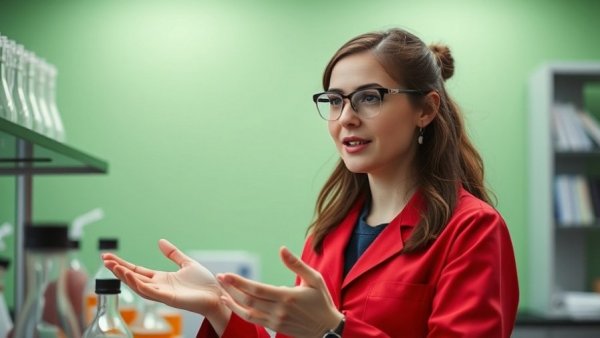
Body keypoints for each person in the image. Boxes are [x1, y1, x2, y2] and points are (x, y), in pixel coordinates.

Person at [103, 27, 519, 338]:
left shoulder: (472, 229)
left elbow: (327, 330)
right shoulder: (329, 232)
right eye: (335, 100)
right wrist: (220, 306)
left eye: (370, 97)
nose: (346, 117)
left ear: (425, 109)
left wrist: (335, 330)